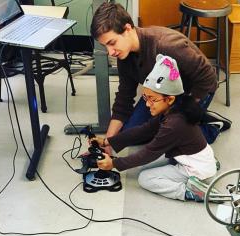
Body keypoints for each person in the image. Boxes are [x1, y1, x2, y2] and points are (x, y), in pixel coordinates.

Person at [93, 54, 217, 202]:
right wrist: (107, 141)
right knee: (144, 166)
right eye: (146, 98)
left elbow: (148, 153)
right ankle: (208, 167)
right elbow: (143, 130)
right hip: (195, 161)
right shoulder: (174, 109)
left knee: (145, 178)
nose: (147, 104)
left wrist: (113, 164)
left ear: (170, 99)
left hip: (198, 173)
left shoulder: (173, 124)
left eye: (152, 99)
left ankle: (191, 192)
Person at [90, 2, 218, 142]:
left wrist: (190, 107)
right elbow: (124, 98)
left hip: (192, 92)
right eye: (105, 46)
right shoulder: (124, 56)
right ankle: (190, 121)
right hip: (160, 93)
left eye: (112, 43)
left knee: (170, 136)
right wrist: (108, 142)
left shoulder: (165, 45)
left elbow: (208, 76)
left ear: (127, 29)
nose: (110, 52)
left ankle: (211, 127)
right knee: (130, 134)